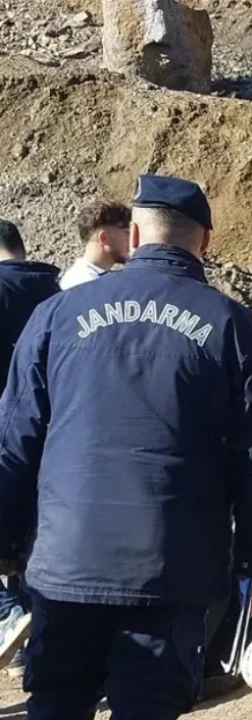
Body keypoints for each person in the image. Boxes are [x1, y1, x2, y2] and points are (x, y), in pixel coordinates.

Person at [0, 175, 252, 720]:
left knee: (56, 702)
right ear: (205, 241)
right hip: (171, 567)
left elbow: (16, 437)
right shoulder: (234, 326)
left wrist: (7, 538)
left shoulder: (57, 315)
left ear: (133, 234)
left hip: (66, 562)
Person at [0, 218, 60, 677]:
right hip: (49, 427)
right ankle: (33, 640)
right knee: (30, 534)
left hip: (5, 426)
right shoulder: (55, 292)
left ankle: (8, 614)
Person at [59, 200, 132, 289]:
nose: (131, 240)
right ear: (104, 238)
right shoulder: (87, 283)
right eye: (127, 233)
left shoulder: (82, 277)